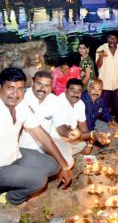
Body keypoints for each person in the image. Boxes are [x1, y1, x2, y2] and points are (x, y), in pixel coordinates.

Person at [0, 67, 72, 206]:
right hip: (1, 167)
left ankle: (16, 181)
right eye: (10, 87)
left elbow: (43, 136)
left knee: (53, 165)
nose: (15, 94)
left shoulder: (21, 106)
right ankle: (10, 198)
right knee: (39, 179)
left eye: (20, 89)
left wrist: (65, 167)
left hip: (15, 157)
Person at [51, 78, 107, 162]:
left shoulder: (80, 104)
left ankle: (66, 153)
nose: (75, 93)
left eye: (79, 91)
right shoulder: (58, 102)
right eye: (72, 90)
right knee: (67, 162)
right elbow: (63, 131)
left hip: (72, 138)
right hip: (56, 138)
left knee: (86, 148)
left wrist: (90, 143)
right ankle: (59, 155)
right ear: (66, 90)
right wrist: (92, 135)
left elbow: (83, 127)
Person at [96, 32, 118, 125]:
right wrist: (101, 56)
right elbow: (98, 65)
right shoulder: (101, 49)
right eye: (110, 38)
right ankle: (105, 120)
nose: (112, 40)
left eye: (114, 38)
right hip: (105, 82)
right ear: (107, 39)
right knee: (105, 103)